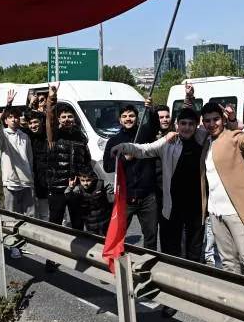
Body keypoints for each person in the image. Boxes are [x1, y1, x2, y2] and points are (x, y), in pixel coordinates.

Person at [112, 106, 208, 265]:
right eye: (183, 123)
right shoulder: (168, 143)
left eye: (191, 124)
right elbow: (145, 150)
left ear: (196, 125)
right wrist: (124, 147)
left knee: (194, 250)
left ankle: (192, 283)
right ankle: (171, 281)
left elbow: (227, 128)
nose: (187, 127)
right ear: (177, 125)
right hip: (173, 205)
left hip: (197, 207)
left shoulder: (203, 140)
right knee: (172, 248)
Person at [199, 102, 244, 280]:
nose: (212, 124)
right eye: (207, 121)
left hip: (238, 211)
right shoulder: (205, 142)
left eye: (215, 119)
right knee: (228, 262)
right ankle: (238, 303)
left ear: (222, 119)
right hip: (215, 213)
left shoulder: (232, 136)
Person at [44, 83, 91, 271]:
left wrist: (84, 180)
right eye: (63, 117)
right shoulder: (53, 137)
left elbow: (86, 163)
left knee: (78, 224)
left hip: (77, 188)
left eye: (70, 116)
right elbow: (49, 118)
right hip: (57, 188)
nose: (67, 119)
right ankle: (51, 258)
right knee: (55, 223)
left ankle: (79, 256)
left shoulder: (81, 139)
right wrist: (52, 99)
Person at [103, 104, 158, 251]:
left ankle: (148, 265)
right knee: (118, 234)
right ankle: (118, 263)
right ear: (120, 120)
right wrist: (125, 159)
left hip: (147, 196)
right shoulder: (114, 141)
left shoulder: (145, 134)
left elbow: (154, 125)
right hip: (125, 195)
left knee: (151, 236)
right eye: (125, 116)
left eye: (131, 116)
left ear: (137, 118)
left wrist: (151, 109)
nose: (128, 119)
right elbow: (107, 166)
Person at [0, 92, 35, 216]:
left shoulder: (25, 136)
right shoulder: (3, 135)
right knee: (11, 214)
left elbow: (29, 158)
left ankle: (27, 236)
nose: (14, 119)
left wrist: (31, 173)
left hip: (26, 180)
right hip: (10, 181)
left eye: (16, 117)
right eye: (11, 117)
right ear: (6, 120)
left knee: (30, 215)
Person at [64, 166, 114, 236]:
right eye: (83, 181)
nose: (85, 183)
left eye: (88, 180)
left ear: (93, 178)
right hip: (90, 224)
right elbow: (68, 196)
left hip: (105, 221)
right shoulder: (78, 189)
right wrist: (70, 188)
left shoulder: (101, 184)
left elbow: (115, 189)